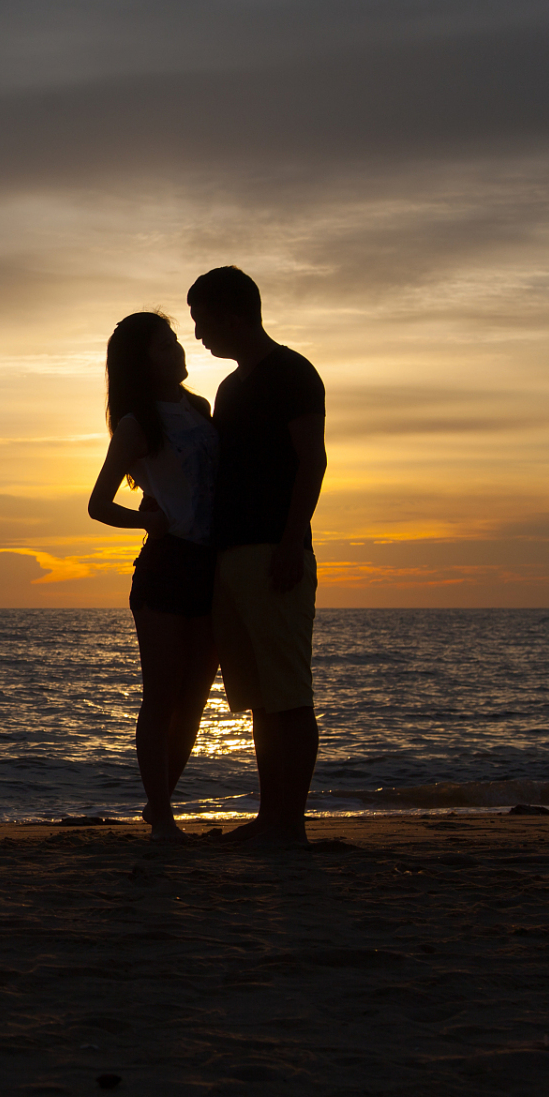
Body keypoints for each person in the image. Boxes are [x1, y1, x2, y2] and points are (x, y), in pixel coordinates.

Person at [187, 266, 326, 848]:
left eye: (202, 321)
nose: (199, 336)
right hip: (231, 553)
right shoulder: (231, 387)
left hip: (274, 549)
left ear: (232, 316)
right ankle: (273, 819)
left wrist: (292, 543)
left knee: (287, 693)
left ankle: (287, 823)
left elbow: (311, 461)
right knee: (257, 696)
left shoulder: (292, 373)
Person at [88, 311, 220, 842]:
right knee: (162, 693)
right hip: (166, 566)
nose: (178, 352)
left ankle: (160, 801)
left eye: (175, 342)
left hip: (212, 564)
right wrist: (149, 519)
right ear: (142, 363)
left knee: (195, 696)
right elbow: (99, 504)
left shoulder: (200, 409)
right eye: (164, 347)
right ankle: (162, 814)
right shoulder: (137, 424)